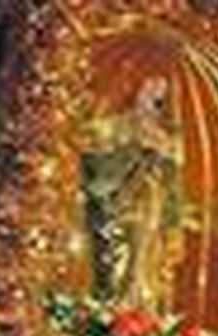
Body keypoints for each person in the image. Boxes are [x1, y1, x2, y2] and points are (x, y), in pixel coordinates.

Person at [80, 75, 186, 311]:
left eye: (158, 97)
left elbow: (173, 188)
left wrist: (174, 226)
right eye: (148, 91)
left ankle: (137, 313)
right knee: (116, 259)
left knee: (145, 261)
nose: (152, 100)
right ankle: (110, 309)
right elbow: (95, 169)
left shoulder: (165, 138)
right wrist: (134, 149)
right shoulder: (117, 127)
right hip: (118, 208)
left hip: (150, 206)